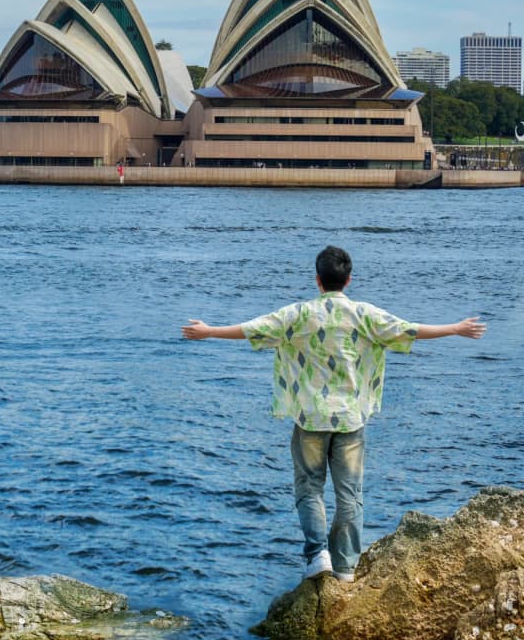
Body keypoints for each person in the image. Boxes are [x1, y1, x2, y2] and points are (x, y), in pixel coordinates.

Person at [181, 246, 486, 583]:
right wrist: (456, 328)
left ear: (317, 280)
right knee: (350, 493)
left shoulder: (298, 314)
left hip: (310, 420)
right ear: (348, 280)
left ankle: (317, 556)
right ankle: (345, 568)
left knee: (309, 488)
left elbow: (253, 328)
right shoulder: (364, 314)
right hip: (350, 420)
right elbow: (410, 329)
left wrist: (209, 331)